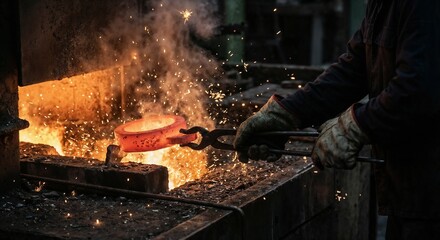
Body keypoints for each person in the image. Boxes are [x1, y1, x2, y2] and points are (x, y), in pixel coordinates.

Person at [233, 0, 440, 239]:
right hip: (412, 193)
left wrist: (356, 126)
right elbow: (355, 69)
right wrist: (287, 113)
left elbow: (421, 88)